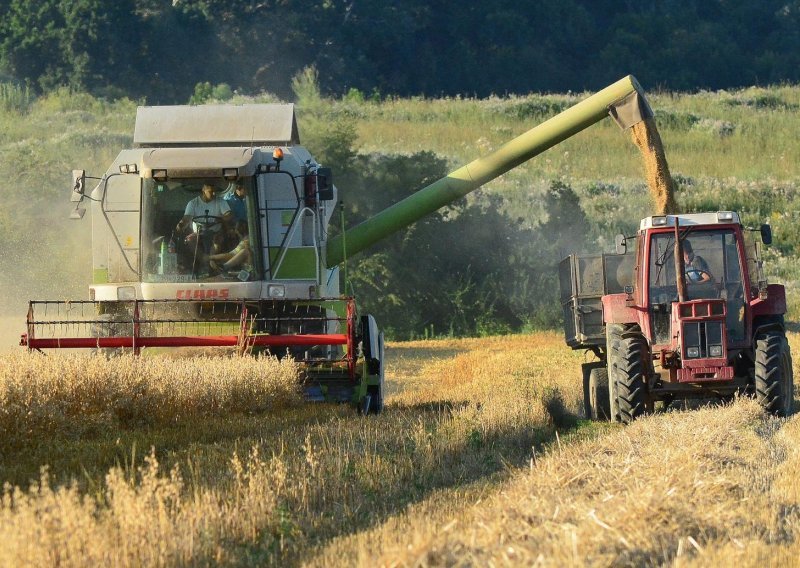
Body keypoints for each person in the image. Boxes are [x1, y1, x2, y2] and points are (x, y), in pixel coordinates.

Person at [175, 184, 233, 253]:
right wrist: (181, 224)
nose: (214, 193)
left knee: (218, 241)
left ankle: (211, 259)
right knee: (189, 240)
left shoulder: (221, 201)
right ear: (203, 190)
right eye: (211, 191)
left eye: (214, 191)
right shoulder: (193, 203)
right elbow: (187, 218)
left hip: (216, 233)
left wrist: (223, 218)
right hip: (198, 234)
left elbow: (229, 214)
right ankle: (202, 260)